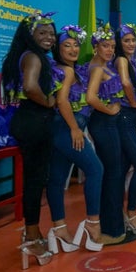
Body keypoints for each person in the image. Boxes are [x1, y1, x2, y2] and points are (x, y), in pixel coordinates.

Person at [1, 11, 60, 269]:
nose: (49, 37)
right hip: (34, 122)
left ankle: (32, 231)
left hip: (29, 122)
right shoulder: (34, 57)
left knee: (34, 180)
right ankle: (32, 237)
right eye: (42, 33)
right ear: (30, 35)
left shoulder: (27, 55)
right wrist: (48, 102)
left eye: (51, 33)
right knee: (35, 182)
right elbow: (30, 86)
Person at [46, 25, 103, 253]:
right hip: (66, 128)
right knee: (96, 169)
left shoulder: (74, 71)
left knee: (57, 178)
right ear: (57, 49)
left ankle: (59, 228)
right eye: (66, 45)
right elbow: (62, 101)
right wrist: (74, 129)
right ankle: (92, 223)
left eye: (76, 45)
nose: (72, 49)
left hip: (63, 128)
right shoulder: (66, 71)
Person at [86, 24, 135, 244]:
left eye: (112, 46)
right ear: (95, 46)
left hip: (108, 124)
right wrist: (109, 110)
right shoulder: (97, 68)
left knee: (114, 173)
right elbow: (90, 98)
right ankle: (112, 230)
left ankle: (115, 224)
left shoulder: (102, 66)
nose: (110, 50)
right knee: (113, 175)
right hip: (104, 124)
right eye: (105, 46)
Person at [114, 23, 136, 234]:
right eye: (126, 40)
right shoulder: (121, 60)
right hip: (126, 117)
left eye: (133, 40)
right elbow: (126, 83)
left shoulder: (133, 61)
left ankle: (120, 213)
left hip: (131, 119)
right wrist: (134, 102)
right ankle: (131, 212)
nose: (131, 44)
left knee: (123, 167)